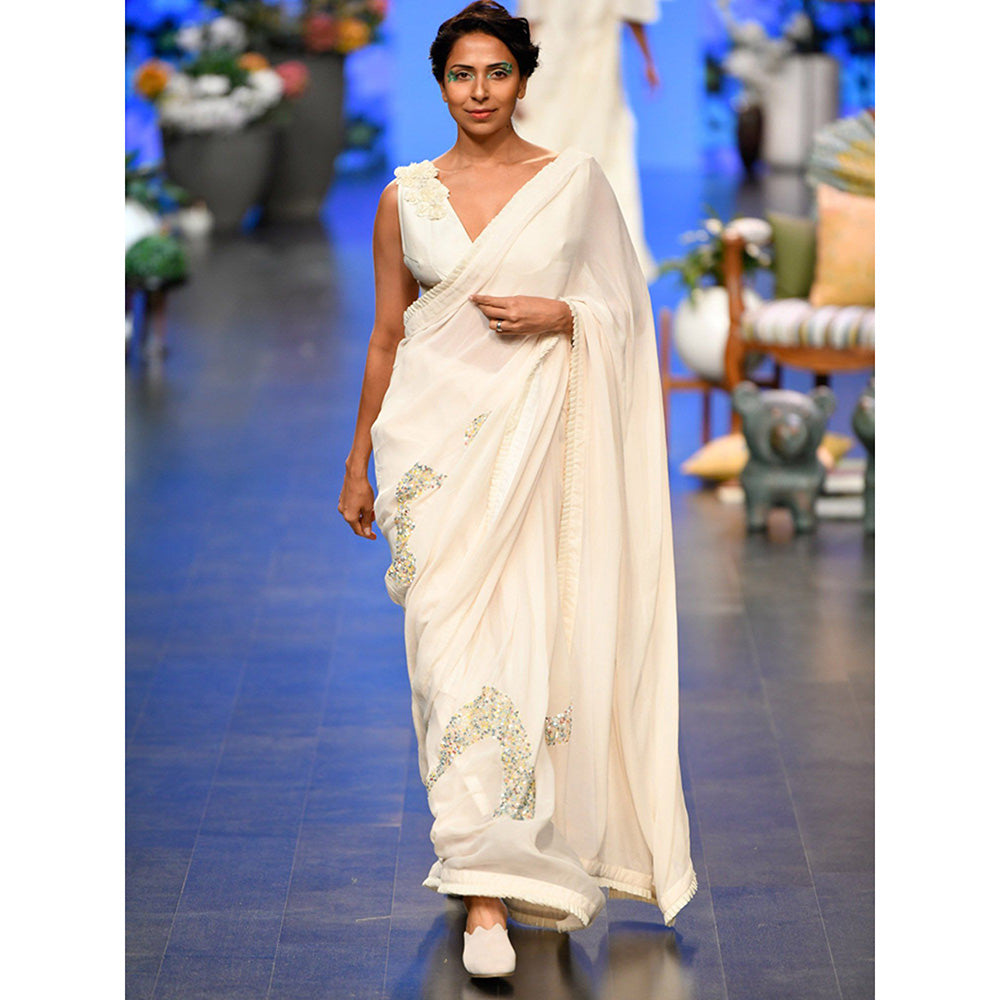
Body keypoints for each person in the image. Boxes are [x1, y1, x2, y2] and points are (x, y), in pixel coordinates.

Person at [338, 1, 695, 979]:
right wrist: (357, 461)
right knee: (444, 657)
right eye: (462, 74)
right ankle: (481, 869)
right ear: (439, 83)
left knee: (528, 653)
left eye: (497, 72)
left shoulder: (571, 184)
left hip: (538, 453)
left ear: (524, 81)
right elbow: (386, 336)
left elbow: (625, 311)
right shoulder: (405, 198)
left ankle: (488, 894)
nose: (480, 91)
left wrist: (562, 314)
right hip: (433, 460)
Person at [513, 0, 661, 281]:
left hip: (596, 69)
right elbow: (531, 18)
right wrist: (520, 72)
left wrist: (648, 60)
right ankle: (534, 255)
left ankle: (604, 261)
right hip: (553, 66)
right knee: (547, 147)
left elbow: (633, 11)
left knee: (600, 153)